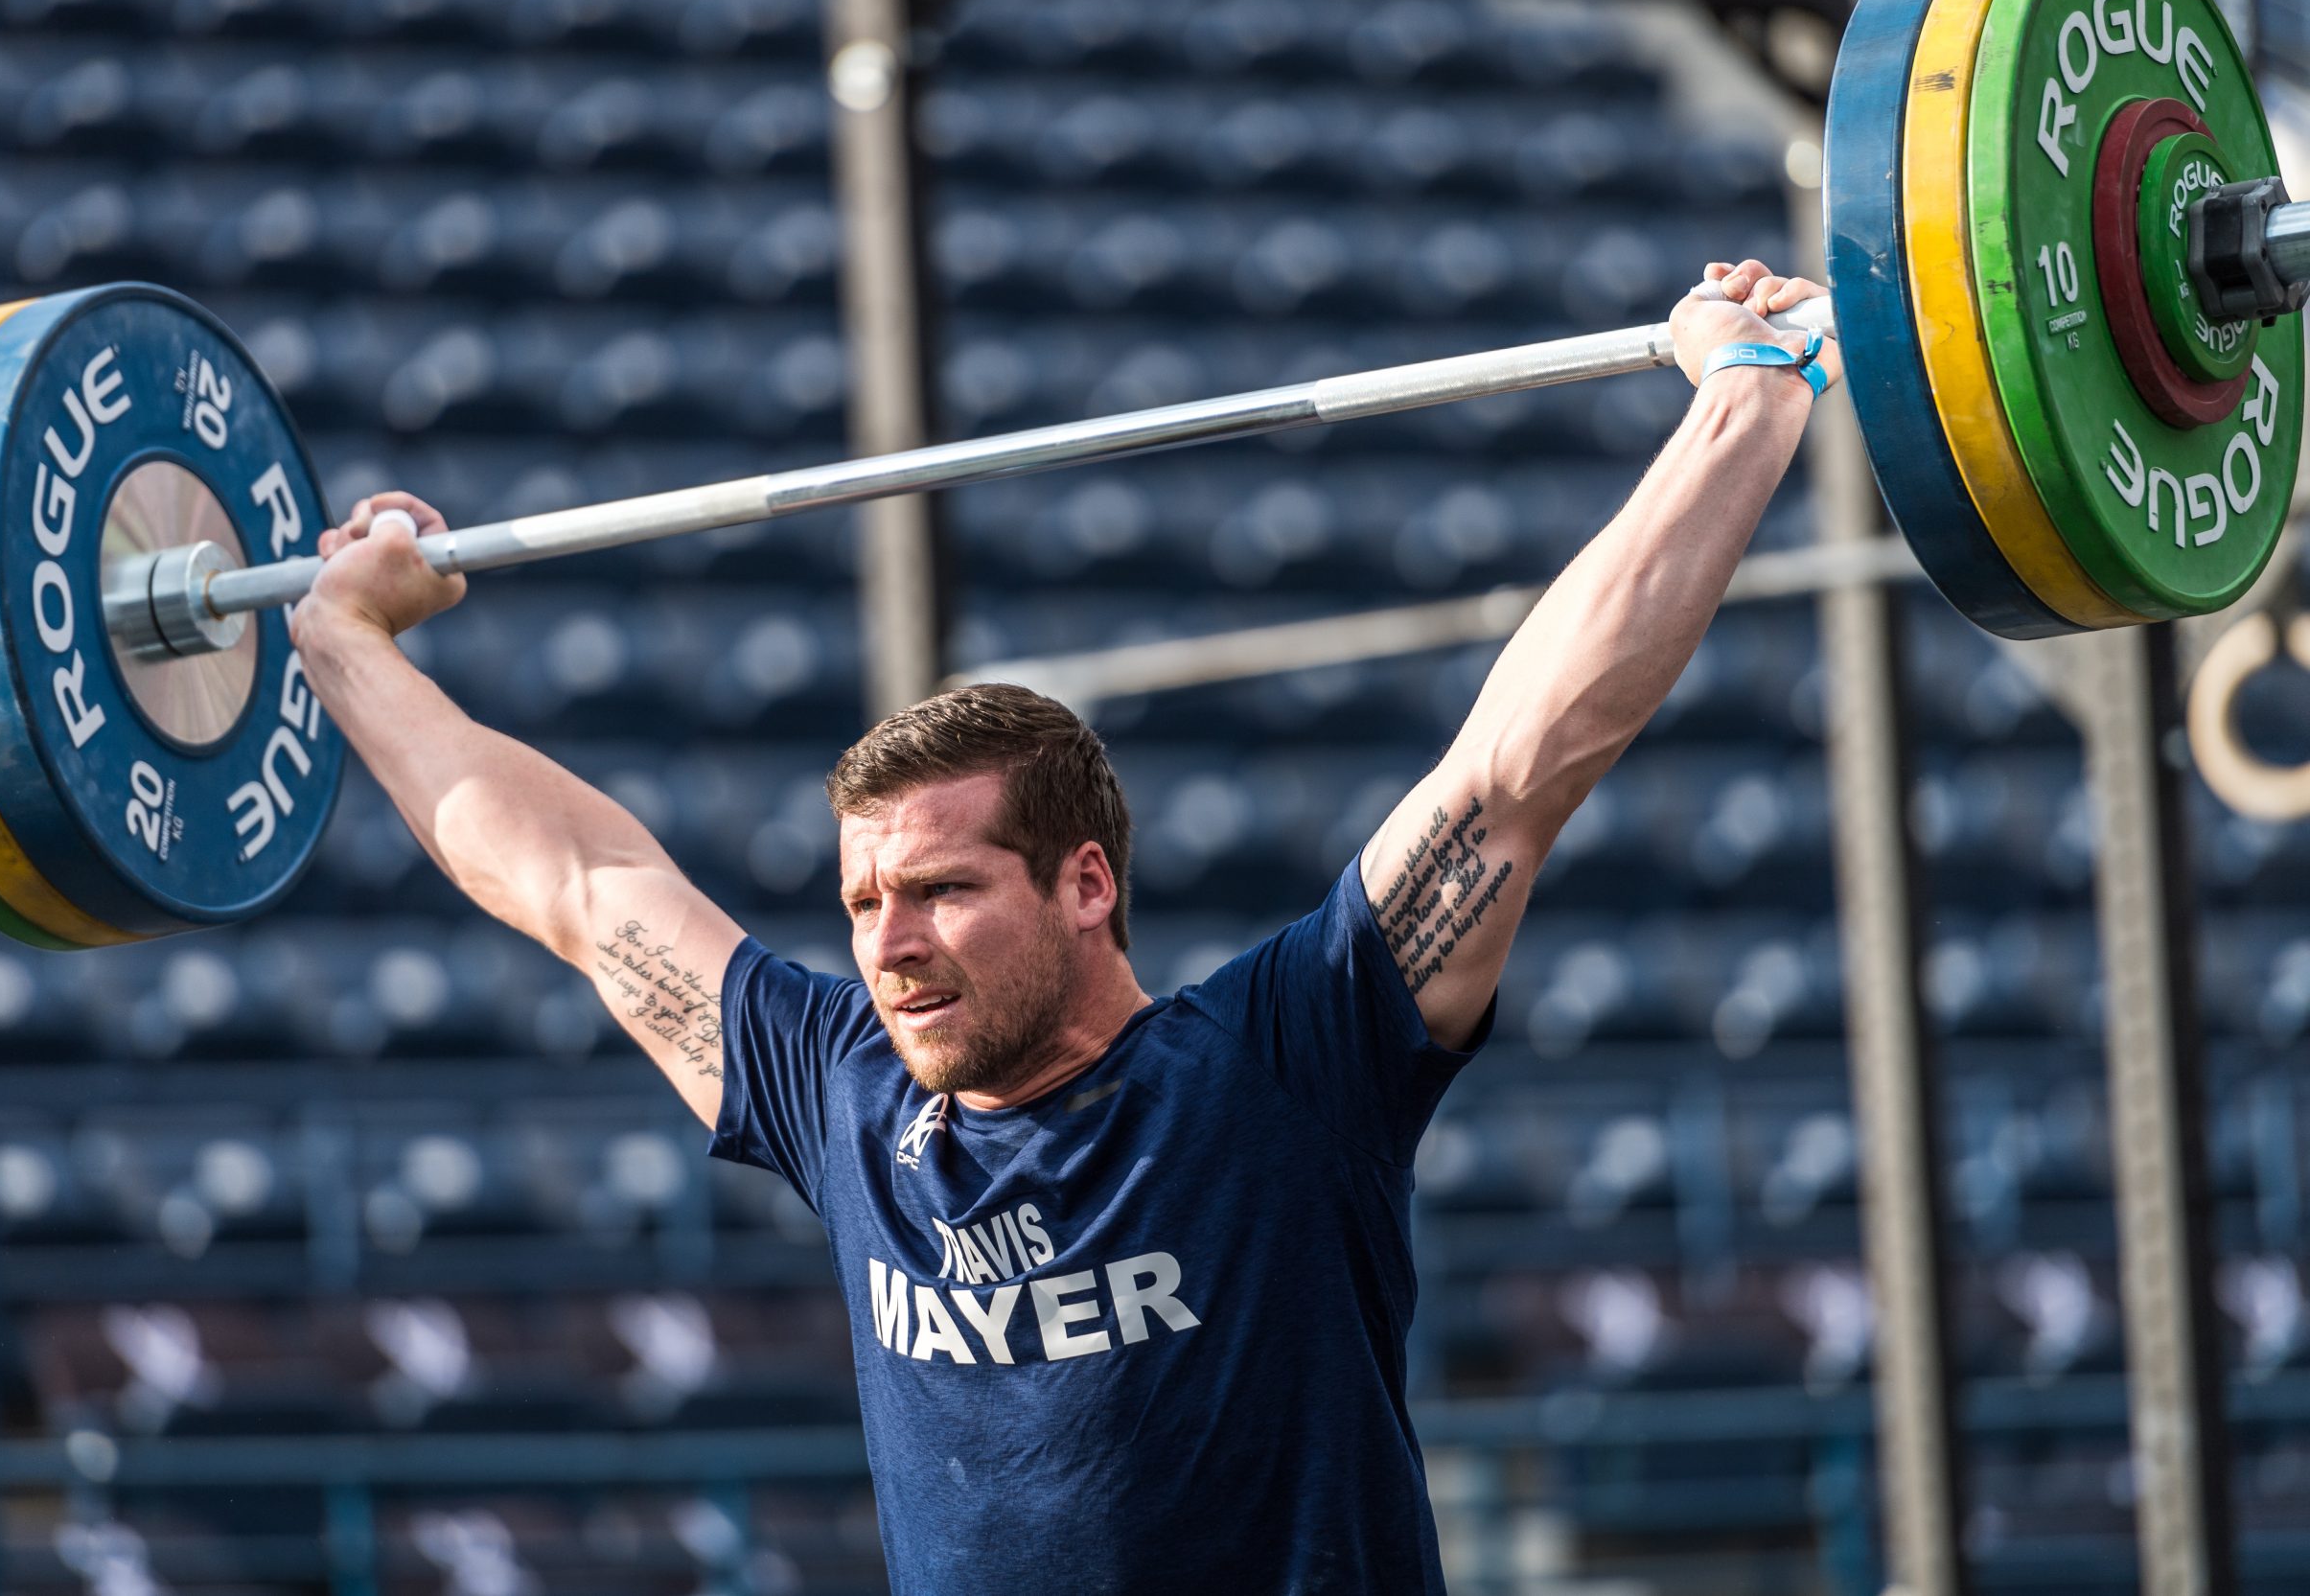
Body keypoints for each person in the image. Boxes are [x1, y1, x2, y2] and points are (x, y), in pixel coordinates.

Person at [289, 260, 1843, 1593]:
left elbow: (1519, 764)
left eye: (947, 890)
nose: (891, 943)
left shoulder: (1283, 1067)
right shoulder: (848, 1096)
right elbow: (576, 887)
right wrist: (348, 643)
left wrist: (1747, 401)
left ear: (1086, 885)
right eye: (864, 903)